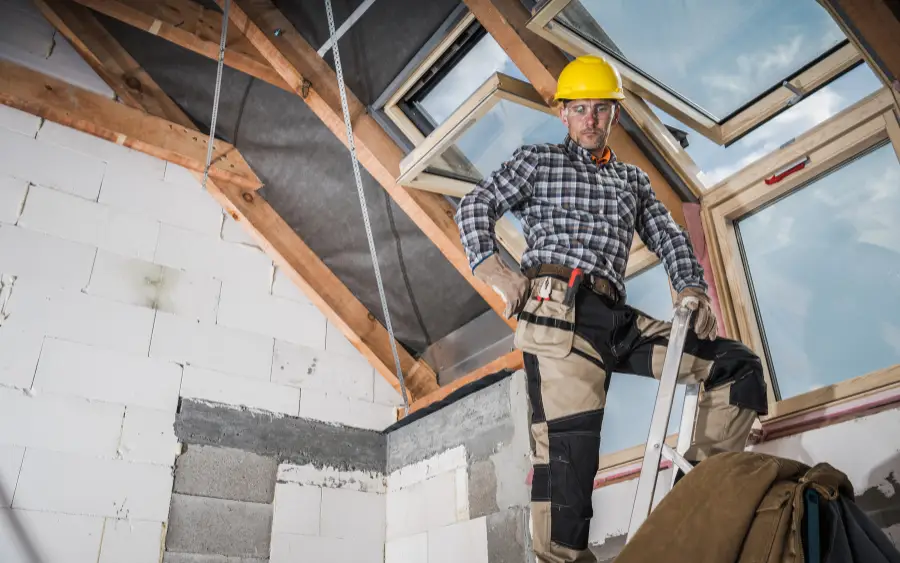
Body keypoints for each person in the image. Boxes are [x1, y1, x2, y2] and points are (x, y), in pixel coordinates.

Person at [455, 55, 768, 562]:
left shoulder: (633, 181)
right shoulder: (538, 161)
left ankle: (693, 504)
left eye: (601, 109)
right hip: (558, 316)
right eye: (581, 110)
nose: (591, 120)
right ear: (564, 114)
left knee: (735, 367)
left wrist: (692, 289)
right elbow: (475, 206)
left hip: (615, 319)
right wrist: (498, 273)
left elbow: (669, 237)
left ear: (614, 115)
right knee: (569, 464)